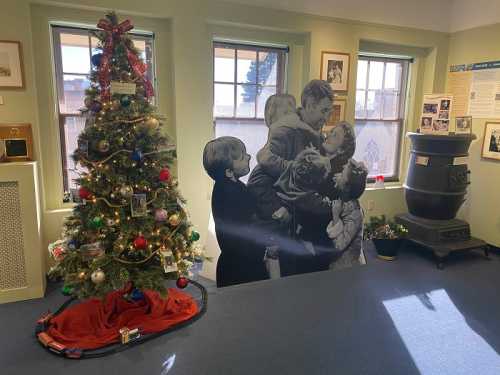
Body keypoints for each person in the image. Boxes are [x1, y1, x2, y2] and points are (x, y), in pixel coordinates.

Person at [247, 80, 334, 221]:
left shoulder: (319, 139)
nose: (326, 118)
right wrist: (277, 209)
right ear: (310, 104)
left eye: (329, 112)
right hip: (286, 228)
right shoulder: (286, 132)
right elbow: (257, 180)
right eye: (324, 111)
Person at [203, 136, 268, 287]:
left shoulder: (231, 186)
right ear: (229, 171)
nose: (249, 156)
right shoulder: (230, 192)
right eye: (242, 156)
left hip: (237, 260)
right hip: (241, 266)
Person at [327, 159, 368, 270]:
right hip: (338, 265)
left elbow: (339, 245)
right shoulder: (344, 200)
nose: (338, 175)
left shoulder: (355, 213)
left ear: (347, 187)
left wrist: (335, 217)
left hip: (348, 269)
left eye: (342, 174)